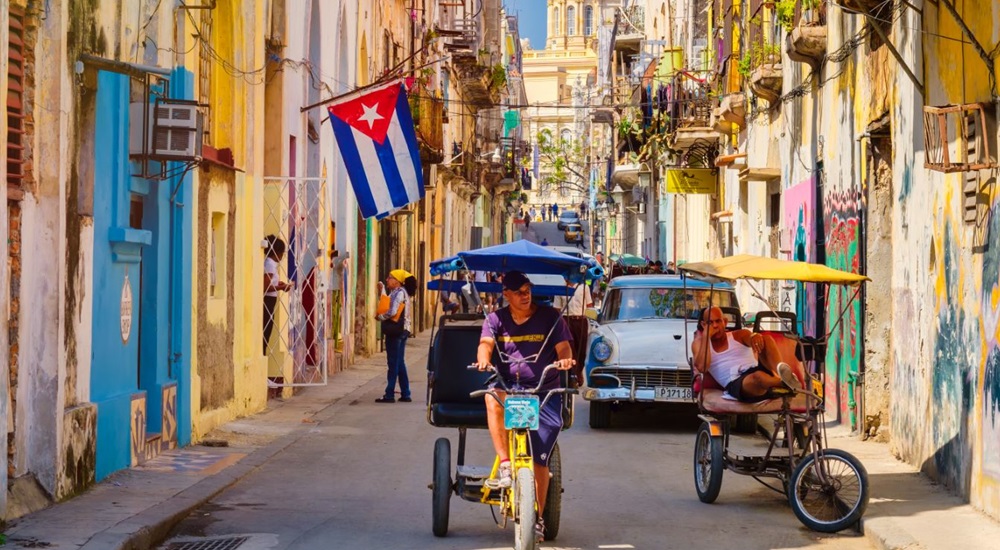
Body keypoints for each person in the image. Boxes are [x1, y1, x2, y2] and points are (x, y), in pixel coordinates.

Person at [473, 271, 575, 541]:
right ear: (506, 294)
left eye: (527, 289)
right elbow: (485, 344)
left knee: (540, 458)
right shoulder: (495, 319)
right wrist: (484, 358)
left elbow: (564, 348)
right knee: (491, 396)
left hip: (544, 392)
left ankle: (538, 519)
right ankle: (506, 463)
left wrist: (565, 361)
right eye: (518, 291)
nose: (525, 294)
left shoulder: (551, 317)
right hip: (510, 387)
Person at [691, 306, 795, 402]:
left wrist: (755, 336)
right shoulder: (699, 344)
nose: (715, 326)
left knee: (766, 339)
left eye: (718, 321)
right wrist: (706, 336)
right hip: (736, 382)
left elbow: (751, 337)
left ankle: (783, 376)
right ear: (703, 325)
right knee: (759, 376)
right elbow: (702, 367)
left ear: (725, 322)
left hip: (757, 370)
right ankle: (784, 383)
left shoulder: (739, 335)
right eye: (710, 323)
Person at [374, 269, 418, 403]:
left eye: (390, 277)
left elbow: (392, 311)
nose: (387, 279)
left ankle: (389, 394)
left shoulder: (398, 293)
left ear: (397, 281)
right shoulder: (402, 293)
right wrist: (382, 291)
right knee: (400, 362)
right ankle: (405, 393)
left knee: (393, 363)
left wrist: (380, 317)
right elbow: (388, 303)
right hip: (403, 330)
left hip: (396, 331)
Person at [263, 235, 292, 355]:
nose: (282, 256)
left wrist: (278, 283)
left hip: (270, 300)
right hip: (268, 301)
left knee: (266, 332)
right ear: (276, 252)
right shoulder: (270, 264)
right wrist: (281, 287)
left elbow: (269, 282)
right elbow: (265, 287)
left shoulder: (270, 264)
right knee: (266, 332)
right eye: (282, 253)